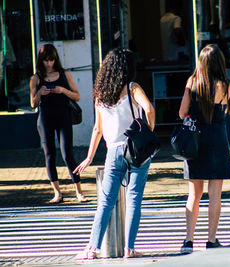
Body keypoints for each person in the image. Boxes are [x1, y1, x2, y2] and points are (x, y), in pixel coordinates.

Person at [74, 48, 155, 259]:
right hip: (136, 149)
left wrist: (89, 157)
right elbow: (149, 109)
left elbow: (97, 129)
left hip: (114, 151)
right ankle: (129, 248)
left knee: (106, 201)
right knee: (134, 198)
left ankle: (92, 248)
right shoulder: (132, 88)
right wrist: (148, 132)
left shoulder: (100, 94)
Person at [178, 44, 230, 254]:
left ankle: (188, 241)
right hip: (218, 142)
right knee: (215, 194)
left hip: (195, 143)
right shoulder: (227, 84)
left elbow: (181, 113)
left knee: (194, 195)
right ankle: (211, 240)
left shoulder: (192, 82)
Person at [30, 44, 86, 204]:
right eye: (46, 60)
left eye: (52, 60)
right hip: (45, 119)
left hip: (63, 117)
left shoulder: (64, 74)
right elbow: (33, 104)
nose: (49, 63)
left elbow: (77, 96)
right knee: (49, 155)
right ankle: (57, 193)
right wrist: (40, 93)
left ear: (56, 59)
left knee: (67, 154)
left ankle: (79, 192)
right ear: (41, 60)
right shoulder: (36, 78)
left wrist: (63, 90)